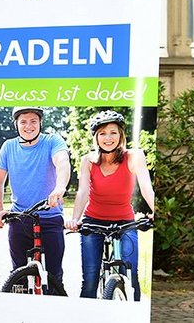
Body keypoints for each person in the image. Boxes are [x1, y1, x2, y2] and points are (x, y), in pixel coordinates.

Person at [67, 110, 155, 300]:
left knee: (131, 275)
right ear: (96, 138)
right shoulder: (88, 161)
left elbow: (147, 187)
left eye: (113, 132)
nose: (108, 138)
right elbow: (83, 192)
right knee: (89, 280)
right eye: (102, 133)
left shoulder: (134, 156)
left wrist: (157, 210)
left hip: (125, 222)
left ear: (121, 135)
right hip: (93, 221)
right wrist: (75, 219)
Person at [0, 106, 71, 296]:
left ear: (40, 122)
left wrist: (59, 187)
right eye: (23, 121)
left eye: (33, 121)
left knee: (54, 275)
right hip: (20, 217)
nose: (28, 126)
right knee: (18, 275)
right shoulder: (9, 146)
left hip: (50, 216)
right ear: (16, 124)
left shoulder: (52, 141)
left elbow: (62, 163)